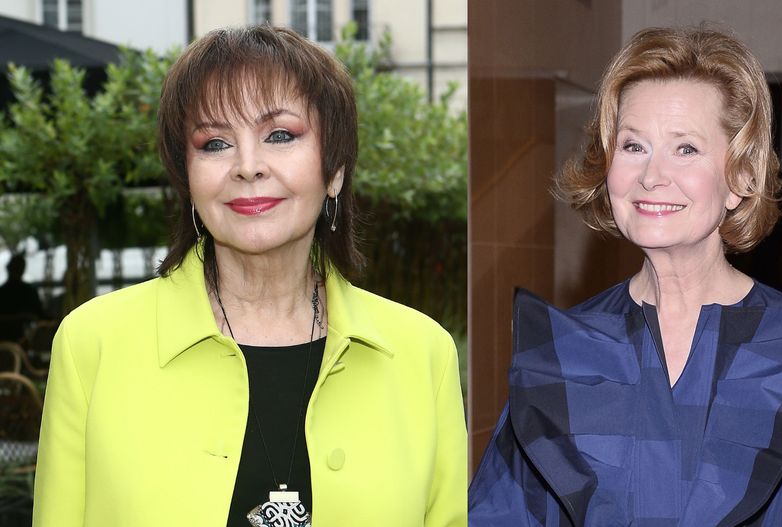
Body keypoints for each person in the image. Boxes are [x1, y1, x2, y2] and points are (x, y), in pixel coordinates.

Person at [34, 26, 466, 527]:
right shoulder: (92, 345)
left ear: (335, 170)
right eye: (215, 143)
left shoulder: (423, 355)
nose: (247, 166)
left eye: (280, 135)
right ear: (187, 177)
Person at [468, 26, 782, 525]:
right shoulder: (561, 351)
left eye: (685, 149)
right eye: (633, 145)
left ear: (740, 178)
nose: (651, 175)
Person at [0, 253, 45, 342]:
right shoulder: (30, 292)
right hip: (22, 338)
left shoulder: (2, 292)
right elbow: (39, 315)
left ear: (8, 268)